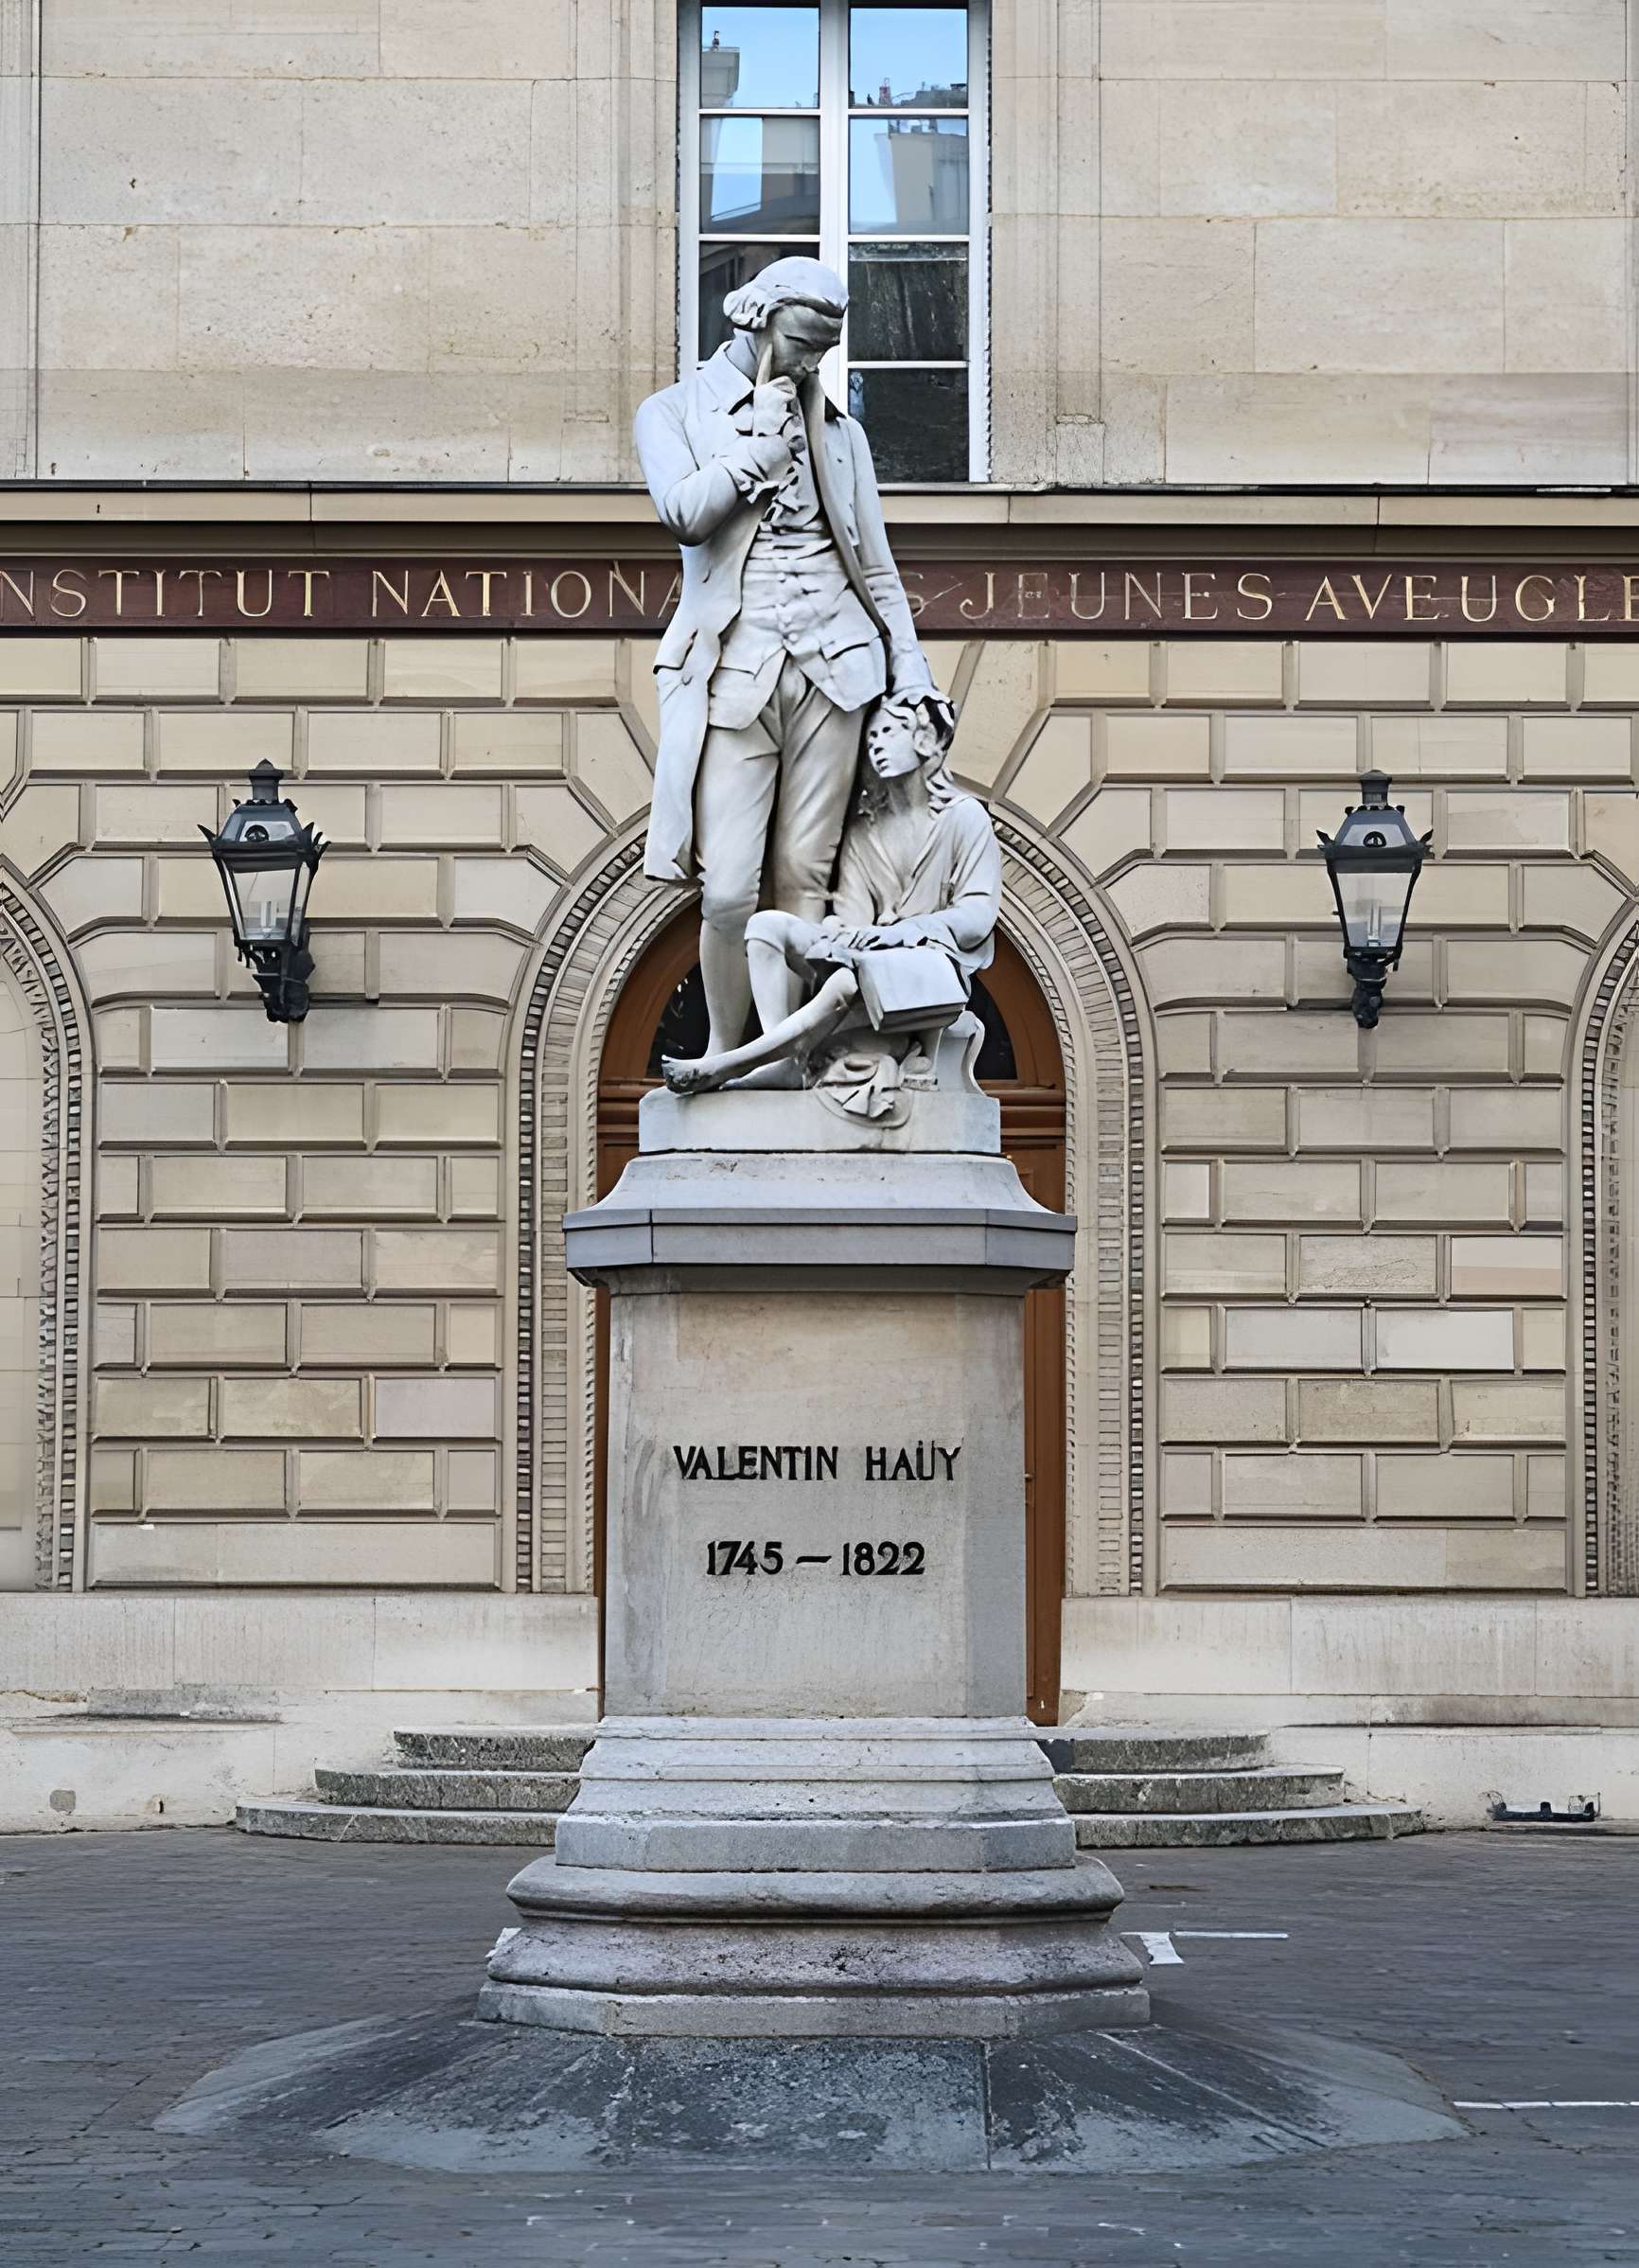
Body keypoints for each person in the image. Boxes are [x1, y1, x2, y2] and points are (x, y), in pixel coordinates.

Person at [634, 255, 952, 1060]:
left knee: (806, 877)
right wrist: (762, 451)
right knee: (730, 887)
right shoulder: (672, 412)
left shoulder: (843, 434)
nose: (814, 363)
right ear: (756, 320)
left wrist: (910, 671)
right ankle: (722, 1050)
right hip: (735, 672)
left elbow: (874, 564)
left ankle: (787, 1059)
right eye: (805, 343)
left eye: (824, 349)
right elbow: (683, 515)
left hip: (839, 668)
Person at [661, 697, 999, 1103]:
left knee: (843, 981)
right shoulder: (864, 831)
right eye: (870, 737)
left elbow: (978, 914)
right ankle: (778, 1056)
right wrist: (839, 933)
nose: (875, 745)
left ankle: (734, 1064)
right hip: (872, 954)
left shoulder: (963, 817)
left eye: (888, 732)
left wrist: (906, 932)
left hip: (927, 960)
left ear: (925, 739)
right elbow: (853, 916)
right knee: (766, 926)